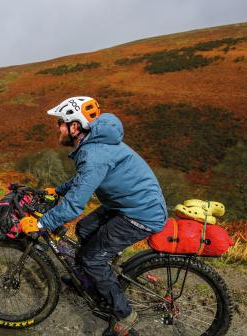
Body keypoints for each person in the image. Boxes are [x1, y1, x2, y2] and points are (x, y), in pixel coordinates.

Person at [20, 96, 167, 336]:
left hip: (141, 214)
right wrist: (57, 191)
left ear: (74, 127)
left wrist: (40, 222)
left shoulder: (94, 154)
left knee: (92, 259)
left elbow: (75, 205)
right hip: (126, 205)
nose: (58, 127)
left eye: (61, 123)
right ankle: (93, 281)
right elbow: (83, 180)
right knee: (85, 229)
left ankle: (124, 314)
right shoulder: (94, 143)